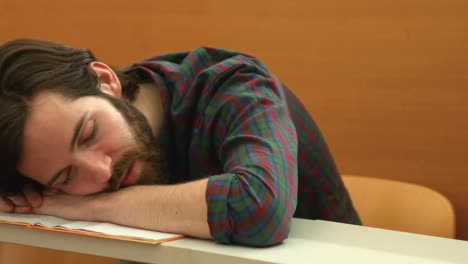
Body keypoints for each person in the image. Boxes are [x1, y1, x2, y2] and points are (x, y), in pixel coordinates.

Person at [0, 39, 360, 247]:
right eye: (65, 177)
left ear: (106, 81)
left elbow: (259, 209)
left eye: (90, 133)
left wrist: (90, 207)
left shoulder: (234, 85)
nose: (102, 170)